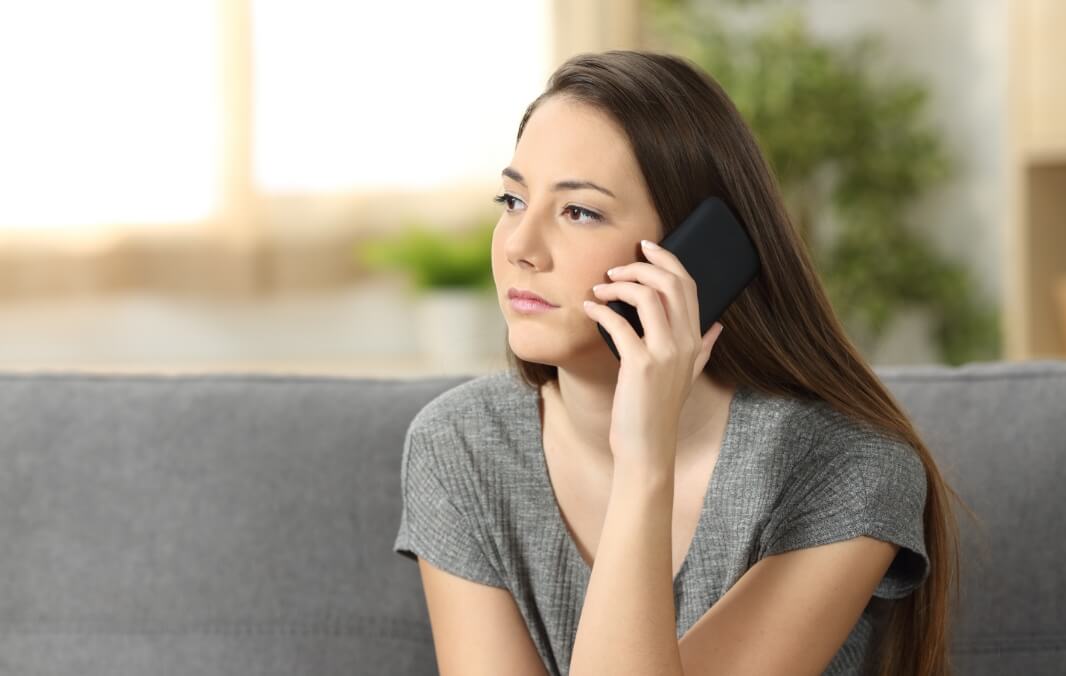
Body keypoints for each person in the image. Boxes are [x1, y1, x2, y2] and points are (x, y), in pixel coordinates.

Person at [394, 49, 965, 676]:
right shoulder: (460, 445)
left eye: (579, 211)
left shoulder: (849, 470)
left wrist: (642, 463)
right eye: (512, 201)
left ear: (696, 254)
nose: (520, 248)